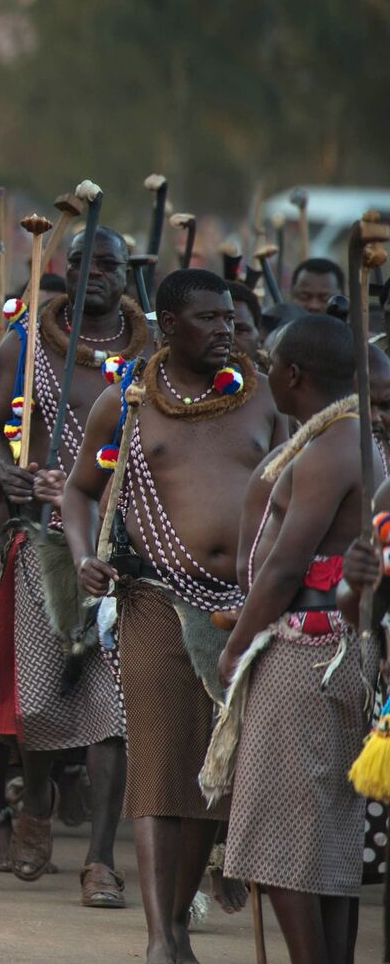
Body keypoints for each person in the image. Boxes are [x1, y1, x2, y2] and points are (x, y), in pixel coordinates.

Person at [61, 269, 285, 964]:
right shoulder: (125, 405)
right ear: (166, 324)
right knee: (160, 765)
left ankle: (179, 924)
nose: (226, 330)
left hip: (240, 609)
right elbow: (79, 491)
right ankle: (162, 937)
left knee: (212, 772)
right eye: (209, 319)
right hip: (153, 595)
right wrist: (81, 557)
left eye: (230, 318)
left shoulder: (263, 400)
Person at [0, 227, 150, 903]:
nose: (98, 273)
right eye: (84, 262)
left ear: (128, 273)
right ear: (62, 271)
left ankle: (100, 859)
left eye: (111, 263)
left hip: (128, 551)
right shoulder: (25, 343)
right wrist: (11, 476)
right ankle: (36, 803)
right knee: (41, 702)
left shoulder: (153, 351)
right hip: (45, 541)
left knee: (115, 711)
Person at [208, 314, 379, 964]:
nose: (263, 367)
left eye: (270, 359)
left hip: (308, 654)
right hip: (331, 651)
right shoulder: (342, 439)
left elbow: (285, 563)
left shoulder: (334, 447)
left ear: (295, 375)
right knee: (322, 840)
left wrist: (234, 647)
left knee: (279, 839)